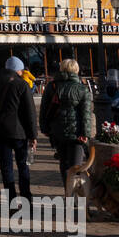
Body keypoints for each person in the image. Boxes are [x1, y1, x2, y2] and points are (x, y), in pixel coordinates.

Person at [0, 56, 38, 202]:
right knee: (23, 166)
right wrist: (33, 136)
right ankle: (26, 199)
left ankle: (11, 202)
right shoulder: (22, 84)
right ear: (18, 69)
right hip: (20, 133)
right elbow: (30, 112)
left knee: (6, 168)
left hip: (0, 133)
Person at [40, 59, 95, 188]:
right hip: (76, 134)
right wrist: (86, 133)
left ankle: (69, 195)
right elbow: (86, 114)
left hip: (57, 132)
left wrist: (45, 128)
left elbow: (44, 109)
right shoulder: (81, 88)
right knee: (76, 166)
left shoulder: (52, 86)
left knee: (64, 165)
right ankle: (77, 195)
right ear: (76, 70)